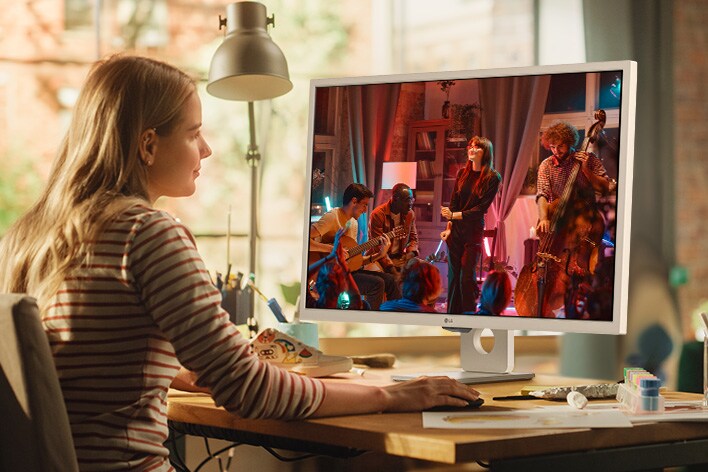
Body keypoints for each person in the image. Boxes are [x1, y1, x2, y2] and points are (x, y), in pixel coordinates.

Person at [0, 55, 479, 471]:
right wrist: (393, 395)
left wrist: (175, 370)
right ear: (147, 145)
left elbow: (75, 364)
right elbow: (249, 391)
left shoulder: (25, 239)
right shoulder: (146, 234)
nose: (206, 149)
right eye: (193, 133)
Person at [309, 183, 400, 309]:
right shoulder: (332, 217)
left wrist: (380, 254)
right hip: (330, 274)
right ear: (354, 201)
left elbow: (352, 260)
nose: (365, 209)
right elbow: (304, 240)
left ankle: (394, 318)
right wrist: (330, 249)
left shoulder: (353, 223)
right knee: (377, 284)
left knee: (390, 280)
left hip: (348, 271)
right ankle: (371, 321)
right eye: (364, 205)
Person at [440, 136, 501, 314]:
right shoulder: (462, 173)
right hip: (456, 232)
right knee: (453, 277)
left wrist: (454, 215)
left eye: (477, 148)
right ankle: (452, 317)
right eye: (471, 146)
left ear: (486, 153)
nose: (472, 150)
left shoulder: (492, 177)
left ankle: (468, 316)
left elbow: (480, 209)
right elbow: (454, 203)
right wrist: (448, 228)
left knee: (466, 278)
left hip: (473, 232)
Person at [535, 120, 614, 235]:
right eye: (552, 147)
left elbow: (605, 187)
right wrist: (543, 219)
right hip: (559, 218)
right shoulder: (546, 165)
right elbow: (542, 194)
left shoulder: (589, 159)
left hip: (585, 217)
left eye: (561, 146)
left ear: (569, 142)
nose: (556, 151)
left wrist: (586, 170)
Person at [369, 182, 419, 280]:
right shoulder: (378, 214)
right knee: (384, 279)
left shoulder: (410, 214)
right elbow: (377, 247)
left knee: (423, 271)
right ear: (396, 198)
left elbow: (414, 239)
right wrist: (393, 271)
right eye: (407, 200)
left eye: (412, 199)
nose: (411, 204)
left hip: (399, 257)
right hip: (378, 258)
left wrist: (410, 254)